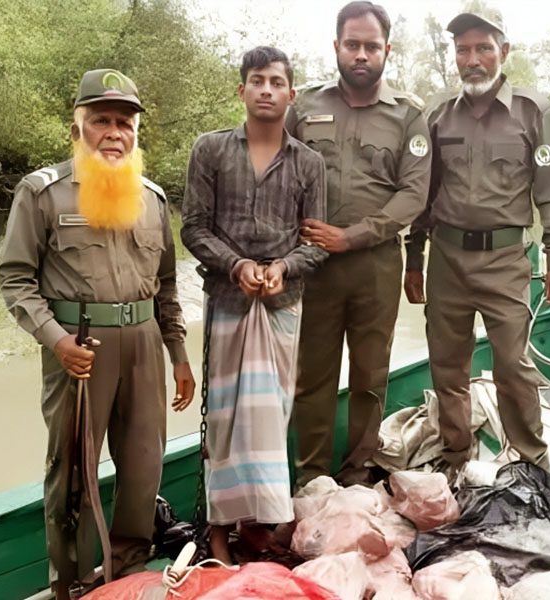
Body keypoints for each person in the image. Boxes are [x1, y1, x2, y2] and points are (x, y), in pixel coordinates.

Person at [0, 68, 195, 599]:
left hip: (144, 348)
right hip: (79, 349)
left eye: (125, 122)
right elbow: (15, 278)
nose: (115, 132)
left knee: (143, 468)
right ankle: (69, 583)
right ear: (77, 127)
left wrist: (178, 355)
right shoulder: (43, 193)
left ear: (136, 132)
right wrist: (57, 341)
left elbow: (168, 286)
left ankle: (127, 575)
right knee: (73, 478)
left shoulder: (152, 199)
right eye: (101, 120)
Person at [404, 11, 550, 481]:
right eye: (462, 50)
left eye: (482, 48)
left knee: (513, 367)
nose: (472, 60)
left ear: (504, 52)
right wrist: (413, 260)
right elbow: (422, 195)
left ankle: (532, 463)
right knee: (447, 367)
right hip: (447, 261)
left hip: (505, 260)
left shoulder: (533, 112)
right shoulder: (436, 116)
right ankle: (456, 458)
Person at [180, 46, 328, 564]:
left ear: (291, 93)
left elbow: (314, 243)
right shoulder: (211, 150)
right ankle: (219, 531)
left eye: (276, 82)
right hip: (227, 299)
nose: (266, 89)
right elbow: (193, 228)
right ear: (240, 90)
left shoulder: (309, 162)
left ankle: (259, 523)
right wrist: (237, 266)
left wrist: (282, 266)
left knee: (269, 418)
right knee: (224, 418)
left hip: (283, 303)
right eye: (257, 80)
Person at [287, 0, 431, 487]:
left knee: (370, 376)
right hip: (313, 265)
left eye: (372, 46)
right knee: (313, 377)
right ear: (337, 47)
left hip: (375, 265)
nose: (362, 54)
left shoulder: (408, 114)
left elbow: (414, 193)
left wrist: (352, 236)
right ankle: (310, 477)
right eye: (353, 45)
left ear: (387, 50)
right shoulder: (304, 105)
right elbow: (277, 171)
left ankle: (359, 474)